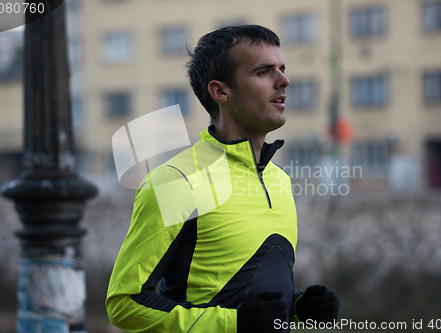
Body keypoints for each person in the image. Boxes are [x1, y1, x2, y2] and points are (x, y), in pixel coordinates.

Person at [106, 25, 339, 332]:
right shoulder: (176, 181)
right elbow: (125, 303)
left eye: (281, 69)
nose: (284, 81)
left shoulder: (279, 179)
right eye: (263, 72)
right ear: (220, 91)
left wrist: (297, 307)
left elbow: (240, 290)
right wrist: (233, 324)